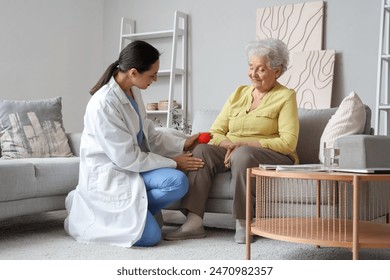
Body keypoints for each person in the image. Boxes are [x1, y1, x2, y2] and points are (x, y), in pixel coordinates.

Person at [64, 40, 204, 247]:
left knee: (177, 182)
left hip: (133, 168)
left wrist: (182, 144)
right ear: (133, 72)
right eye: (152, 75)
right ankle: (83, 211)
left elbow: (149, 133)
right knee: (150, 237)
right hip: (112, 173)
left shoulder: (133, 91)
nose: (155, 79)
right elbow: (127, 158)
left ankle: (139, 209)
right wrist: (174, 162)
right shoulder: (103, 104)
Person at [164, 38, 299, 244]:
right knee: (202, 150)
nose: (253, 74)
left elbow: (288, 143)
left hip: (270, 154)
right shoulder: (239, 93)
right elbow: (216, 131)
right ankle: (194, 221)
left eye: (260, 69)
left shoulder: (286, 97)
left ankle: (244, 222)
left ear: (277, 71)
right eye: (251, 67)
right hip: (233, 150)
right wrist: (228, 145)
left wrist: (245, 145)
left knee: (243, 154)